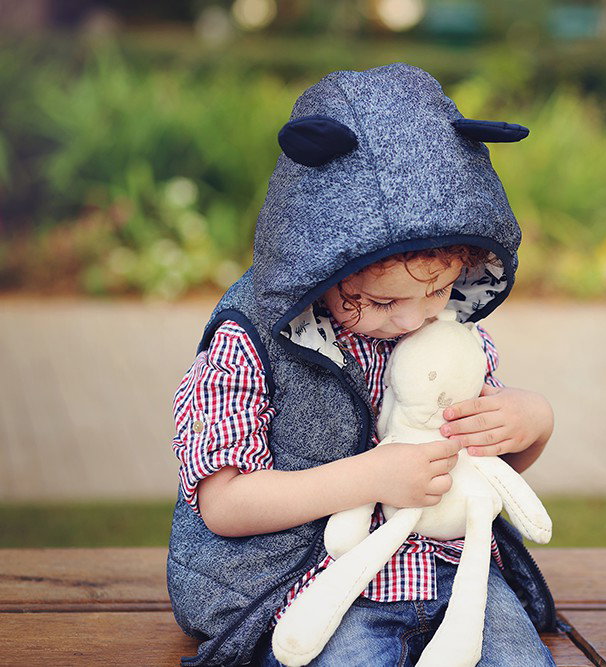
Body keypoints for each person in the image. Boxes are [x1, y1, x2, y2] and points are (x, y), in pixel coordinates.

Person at [167, 63, 557, 667]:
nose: (412, 319)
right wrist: (370, 478)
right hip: (315, 585)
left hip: (453, 573)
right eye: (379, 302)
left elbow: (481, 468)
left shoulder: (447, 332)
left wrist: (531, 425)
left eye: (437, 290)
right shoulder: (249, 344)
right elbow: (224, 504)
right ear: (316, 266)